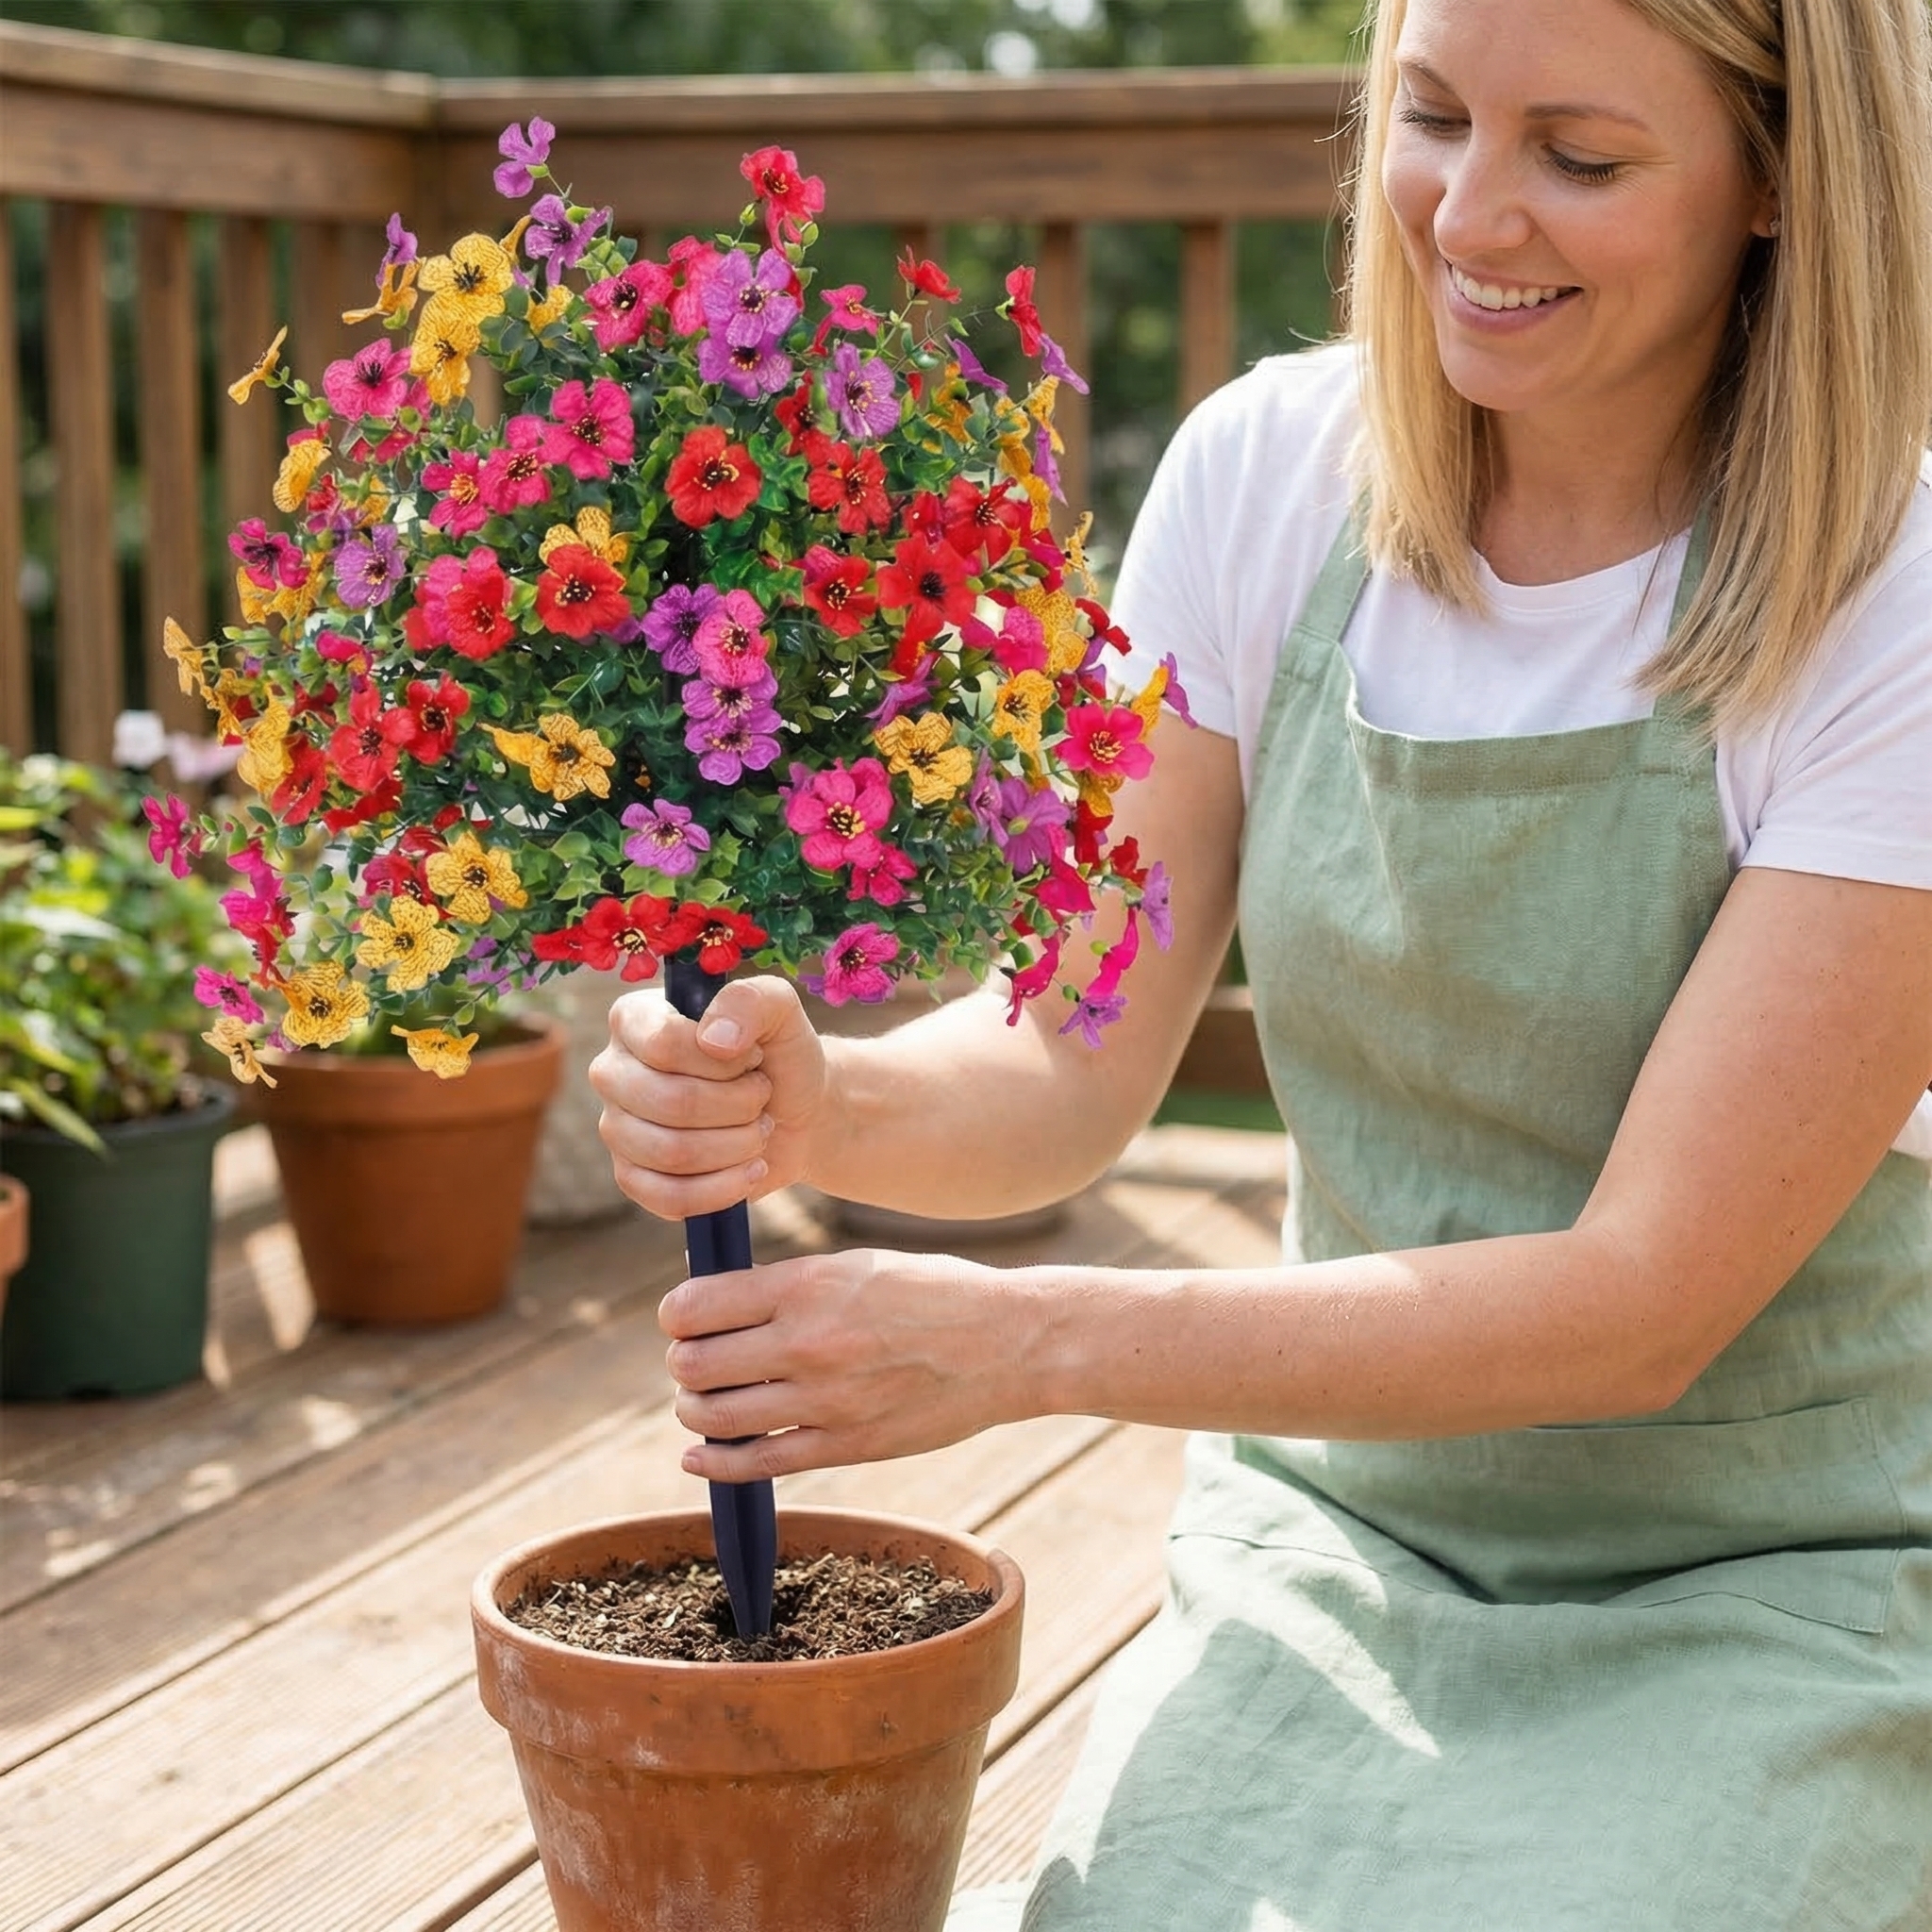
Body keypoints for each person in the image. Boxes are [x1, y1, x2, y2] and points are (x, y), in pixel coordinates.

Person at [591, 0, 1932, 1922]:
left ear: (1780, 177)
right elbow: (1063, 1058)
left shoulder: (1891, 594)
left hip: (1778, 1571)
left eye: (1581, 155)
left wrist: (1030, 1342)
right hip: (1346, 1533)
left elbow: (1645, 1303)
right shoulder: (1262, 480)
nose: (1468, 215)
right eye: (1432, 114)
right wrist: (824, 1097)